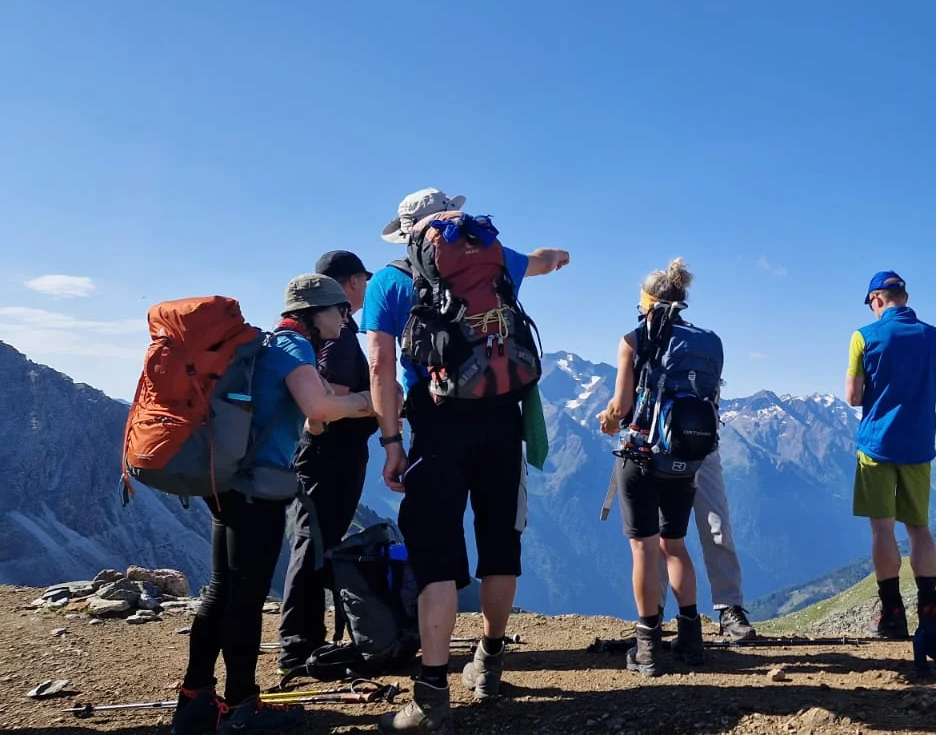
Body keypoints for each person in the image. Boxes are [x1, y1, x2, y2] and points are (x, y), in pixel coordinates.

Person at [366, 188, 569, 732]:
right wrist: (559, 256)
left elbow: (381, 368)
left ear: (408, 232)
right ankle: (491, 659)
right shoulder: (499, 258)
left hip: (435, 424)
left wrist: (391, 443)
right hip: (503, 417)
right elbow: (549, 261)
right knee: (500, 541)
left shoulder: (389, 280)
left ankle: (432, 695)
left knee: (434, 554)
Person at [173, 274, 374, 734]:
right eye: (339, 310)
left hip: (224, 480)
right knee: (245, 596)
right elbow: (318, 409)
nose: (346, 319)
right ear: (315, 312)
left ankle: (195, 699)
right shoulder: (294, 347)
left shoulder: (268, 345)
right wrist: (371, 401)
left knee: (221, 589)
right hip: (256, 489)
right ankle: (242, 708)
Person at [598, 258, 721, 676]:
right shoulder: (708, 343)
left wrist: (609, 420)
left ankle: (647, 646)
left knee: (643, 549)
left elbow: (623, 406)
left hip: (642, 457)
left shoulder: (634, 340)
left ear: (648, 300)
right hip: (686, 459)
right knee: (676, 545)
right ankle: (691, 639)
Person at [275, 251, 379, 674]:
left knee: (318, 539)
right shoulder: (335, 339)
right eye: (362, 281)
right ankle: (298, 648)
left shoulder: (332, 334)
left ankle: (310, 641)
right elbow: (325, 403)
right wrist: (373, 405)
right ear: (349, 283)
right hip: (327, 455)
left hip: (332, 453)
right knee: (313, 541)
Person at [845, 270, 936, 640]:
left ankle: (892, 614)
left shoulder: (864, 337)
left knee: (882, 528)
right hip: (918, 444)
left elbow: (854, 396)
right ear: (903, 297)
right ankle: (930, 611)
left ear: (877, 299)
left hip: (877, 444)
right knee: (919, 528)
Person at [687, 451, 758, 640]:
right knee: (660, 536)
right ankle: (653, 617)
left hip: (703, 447)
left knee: (718, 530)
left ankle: (729, 608)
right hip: (659, 449)